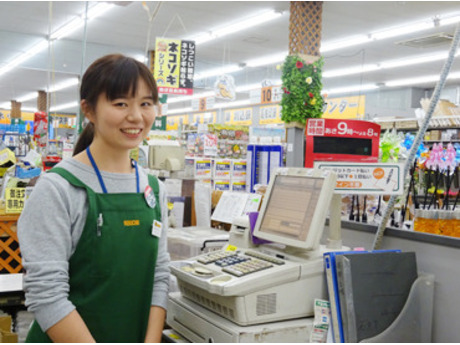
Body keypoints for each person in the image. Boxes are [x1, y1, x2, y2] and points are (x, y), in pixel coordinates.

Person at [18, 54, 170, 343]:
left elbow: (159, 276)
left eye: (146, 103)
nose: (136, 116)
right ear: (88, 110)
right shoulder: (58, 189)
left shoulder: (153, 189)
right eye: (120, 103)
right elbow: (47, 295)